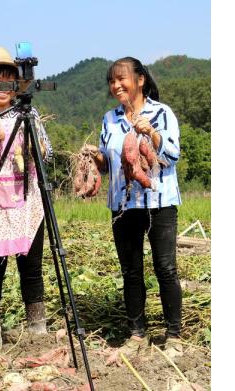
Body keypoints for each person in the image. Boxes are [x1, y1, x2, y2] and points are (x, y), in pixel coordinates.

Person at [82, 57, 184, 358]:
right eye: (112, 81)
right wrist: (93, 156)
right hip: (123, 205)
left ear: (140, 80)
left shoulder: (162, 113)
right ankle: (137, 333)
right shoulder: (109, 118)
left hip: (159, 202)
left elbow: (173, 154)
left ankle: (173, 334)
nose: (116, 85)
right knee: (131, 271)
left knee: (165, 268)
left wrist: (151, 132)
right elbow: (108, 164)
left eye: (122, 79)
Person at [0, 46, 54, 349]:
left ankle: (37, 332)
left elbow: (48, 151)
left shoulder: (28, 114)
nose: (4, 88)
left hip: (26, 194)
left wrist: (34, 150)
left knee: (31, 266)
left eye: (10, 81)